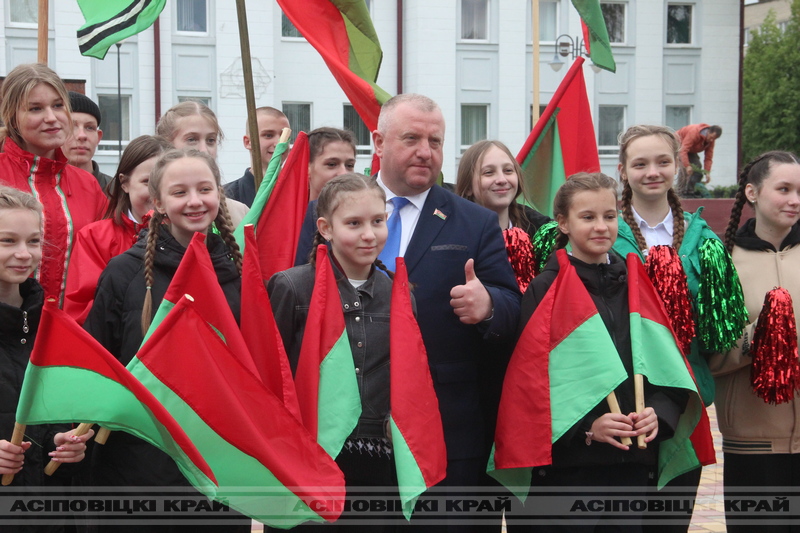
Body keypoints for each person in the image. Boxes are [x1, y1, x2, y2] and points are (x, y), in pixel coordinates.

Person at [297, 94, 521, 531]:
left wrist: (490, 306)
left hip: (443, 437)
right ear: (378, 141)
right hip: (342, 435)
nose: (426, 151)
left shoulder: (473, 222)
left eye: (435, 141)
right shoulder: (326, 212)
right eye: (412, 138)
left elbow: (515, 310)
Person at [506, 173, 689, 532]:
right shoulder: (546, 289)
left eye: (609, 215)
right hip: (569, 469)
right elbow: (530, 383)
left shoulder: (639, 284)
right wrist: (588, 427)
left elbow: (668, 366)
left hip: (632, 465)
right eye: (587, 217)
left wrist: (660, 414)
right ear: (563, 222)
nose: (601, 226)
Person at [83, 149, 247, 531]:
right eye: (179, 192)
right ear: (156, 202)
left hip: (216, 461)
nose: (194, 201)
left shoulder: (240, 273)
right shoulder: (124, 273)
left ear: (218, 195)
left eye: (204, 189)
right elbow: (98, 361)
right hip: (139, 462)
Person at [613, 125, 740, 532]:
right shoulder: (601, 232)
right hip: (617, 405)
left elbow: (719, 332)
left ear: (677, 168)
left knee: (670, 520)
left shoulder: (705, 242)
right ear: (623, 171)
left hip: (682, 406)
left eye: (662, 161)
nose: (652, 171)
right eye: (640, 163)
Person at [269, 173, 401, 531]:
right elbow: (270, 377)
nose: (369, 234)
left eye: (377, 221)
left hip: (378, 464)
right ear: (326, 228)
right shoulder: (292, 288)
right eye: (354, 223)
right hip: (309, 460)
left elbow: (406, 375)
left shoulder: (398, 292)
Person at [711, 151, 800, 533]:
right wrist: (761, 333)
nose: (795, 199)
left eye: (799, 190)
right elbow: (713, 356)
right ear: (752, 192)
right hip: (752, 441)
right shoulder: (723, 259)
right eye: (784, 189)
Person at [0, 186, 94, 531]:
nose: (24, 254)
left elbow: (57, 408)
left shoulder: (50, 325)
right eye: (7, 241)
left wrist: (60, 440)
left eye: (34, 241)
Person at [0, 63, 107, 307]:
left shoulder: (88, 186)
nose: (51, 118)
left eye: (58, 106)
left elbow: (103, 262)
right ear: (13, 118)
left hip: (69, 331)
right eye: (35, 108)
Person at [64, 135, 171, 324]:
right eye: (148, 182)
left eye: (167, 184)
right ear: (125, 183)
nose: (158, 193)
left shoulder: (185, 235)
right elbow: (80, 311)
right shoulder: (94, 238)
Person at [455, 139, 550, 292]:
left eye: (508, 171)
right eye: (488, 172)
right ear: (468, 187)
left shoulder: (541, 235)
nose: (501, 180)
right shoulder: (453, 237)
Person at [156, 100, 249, 226]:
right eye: (192, 139)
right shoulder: (147, 211)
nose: (204, 150)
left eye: (210, 140)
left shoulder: (239, 213)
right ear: (167, 145)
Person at [224, 106, 290, 207]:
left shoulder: (303, 191)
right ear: (248, 142)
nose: (278, 143)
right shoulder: (227, 196)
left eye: (284, 136)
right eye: (268, 135)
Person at [63, 91, 112, 191]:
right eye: (72, 126)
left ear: (98, 137)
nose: (82, 135)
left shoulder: (117, 192)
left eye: (89, 127)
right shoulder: (38, 190)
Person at [307, 127, 358, 201]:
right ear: (307, 168)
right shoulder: (289, 211)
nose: (344, 173)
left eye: (349, 165)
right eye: (332, 164)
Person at [675, 123, 722, 196]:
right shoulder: (694, 133)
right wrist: (687, 165)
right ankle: (679, 192)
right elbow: (683, 150)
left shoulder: (711, 141)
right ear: (708, 132)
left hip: (690, 150)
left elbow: (708, 157)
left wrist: (707, 172)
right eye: (711, 137)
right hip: (678, 145)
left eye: (714, 139)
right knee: (684, 169)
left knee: (697, 167)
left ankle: (690, 191)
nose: (712, 140)